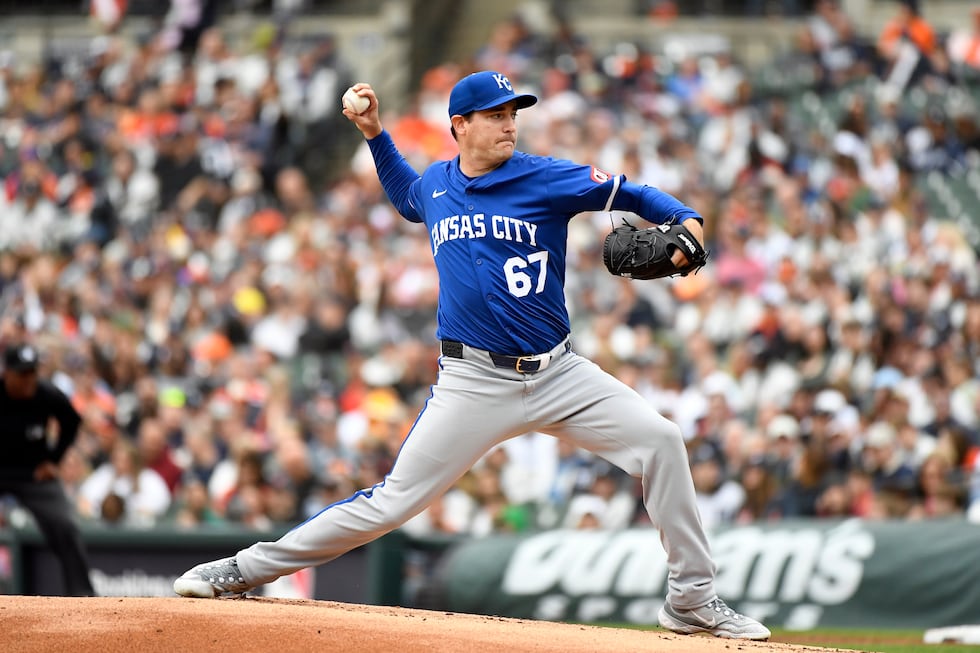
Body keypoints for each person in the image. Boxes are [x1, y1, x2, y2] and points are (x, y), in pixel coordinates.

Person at [173, 70, 771, 640]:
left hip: (560, 372)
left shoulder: (545, 178)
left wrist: (685, 219)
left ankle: (692, 600)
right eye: (495, 116)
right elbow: (408, 196)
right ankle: (244, 569)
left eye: (513, 114)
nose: (510, 125)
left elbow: (631, 192)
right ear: (459, 124)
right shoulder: (436, 184)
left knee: (662, 441)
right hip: (472, 382)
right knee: (390, 502)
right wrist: (376, 135)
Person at [0, 343, 96, 596]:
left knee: (65, 524)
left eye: (32, 372)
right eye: (22, 374)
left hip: (34, 475)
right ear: (7, 373)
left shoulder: (45, 394)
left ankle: (82, 594)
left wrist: (54, 460)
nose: (29, 379)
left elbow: (72, 421)